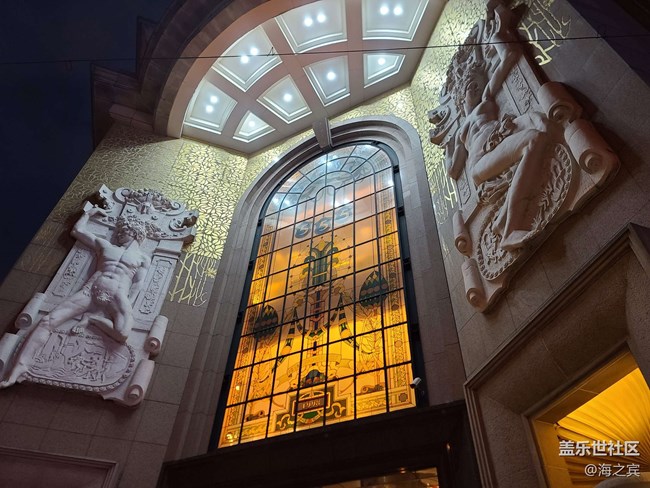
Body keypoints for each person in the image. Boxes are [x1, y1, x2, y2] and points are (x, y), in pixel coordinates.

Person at [449, 24, 552, 251]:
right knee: (533, 140)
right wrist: (449, 151)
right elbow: (453, 169)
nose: (475, 89)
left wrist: (496, 36)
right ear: (460, 98)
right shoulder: (459, 133)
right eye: (470, 86)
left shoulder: (486, 100)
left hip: (498, 144)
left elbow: (509, 57)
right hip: (479, 164)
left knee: (535, 137)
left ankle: (503, 220)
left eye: (478, 84)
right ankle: (509, 231)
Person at [39, 207, 151, 343]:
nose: (118, 234)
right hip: (92, 289)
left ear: (134, 232)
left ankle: (92, 318)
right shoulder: (106, 246)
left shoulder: (143, 258)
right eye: (119, 231)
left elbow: (138, 283)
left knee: (122, 333)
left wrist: (129, 303)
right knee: (48, 320)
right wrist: (88, 214)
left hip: (118, 294)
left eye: (123, 231)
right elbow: (77, 231)